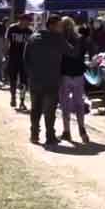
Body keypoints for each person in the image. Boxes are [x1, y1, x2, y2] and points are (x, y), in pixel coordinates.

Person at [24, 15, 73, 146]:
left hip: (35, 80)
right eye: (59, 26)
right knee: (49, 110)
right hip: (51, 80)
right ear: (52, 25)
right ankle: (50, 136)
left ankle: (34, 135)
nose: (61, 28)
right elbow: (70, 52)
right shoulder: (57, 38)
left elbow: (26, 58)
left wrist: (31, 74)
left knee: (36, 109)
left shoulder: (33, 37)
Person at [59, 17, 90, 144]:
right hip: (78, 74)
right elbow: (87, 53)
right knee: (79, 103)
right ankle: (82, 128)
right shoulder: (81, 39)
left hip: (64, 74)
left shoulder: (59, 39)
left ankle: (67, 131)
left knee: (64, 104)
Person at [5, 15, 33, 110]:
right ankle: (13, 96)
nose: (27, 23)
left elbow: (31, 45)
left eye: (28, 22)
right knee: (12, 79)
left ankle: (22, 100)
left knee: (24, 81)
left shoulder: (29, 31)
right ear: (20, 20)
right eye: (26, 21)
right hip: (13, 57)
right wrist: (6, 55)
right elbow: (6, 41)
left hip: (25, 60)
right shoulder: (12, 28)